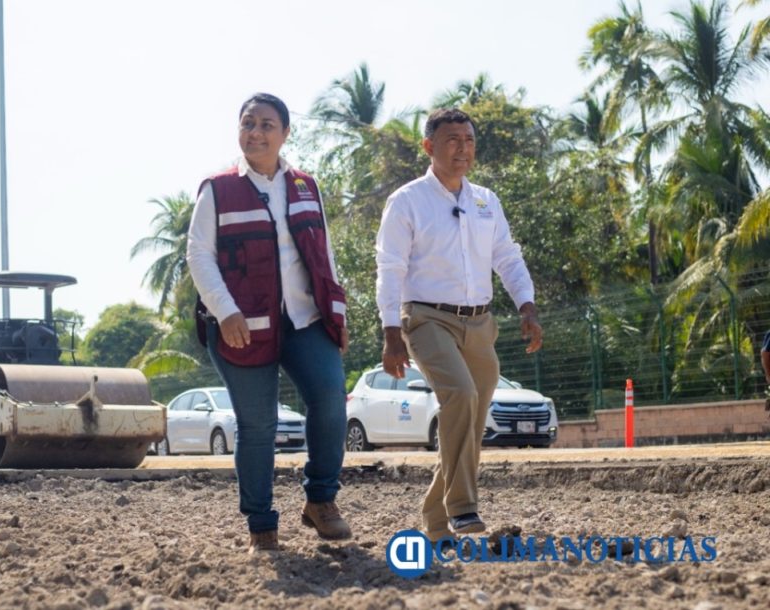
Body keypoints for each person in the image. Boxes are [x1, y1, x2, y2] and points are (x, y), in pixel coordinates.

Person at [187, 93, 351, 554]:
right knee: (258, 424)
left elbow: (325, 253)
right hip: (243, 323)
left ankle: (321, 500)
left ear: (285, 133)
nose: (255, 133)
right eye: (248, 123)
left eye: (266, 125)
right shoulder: (217, 189)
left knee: (331, 399)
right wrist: (226, 311)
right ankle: (261, 523)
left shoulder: (306, 186)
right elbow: (198, 254)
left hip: (306, 319)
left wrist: (336, 310)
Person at [375, 107, 543, 542]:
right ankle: (464, 508)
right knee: (461, 396)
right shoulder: (407, 200)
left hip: (480, 324)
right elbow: (390, 267)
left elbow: (507, 255)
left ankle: (434, 520)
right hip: (426, 319)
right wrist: (391, 331)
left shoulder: (485, 200)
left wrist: (527, 304)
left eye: (468, 140)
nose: (462, 148)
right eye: (452, 140)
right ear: (429, 147)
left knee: (468, 423)